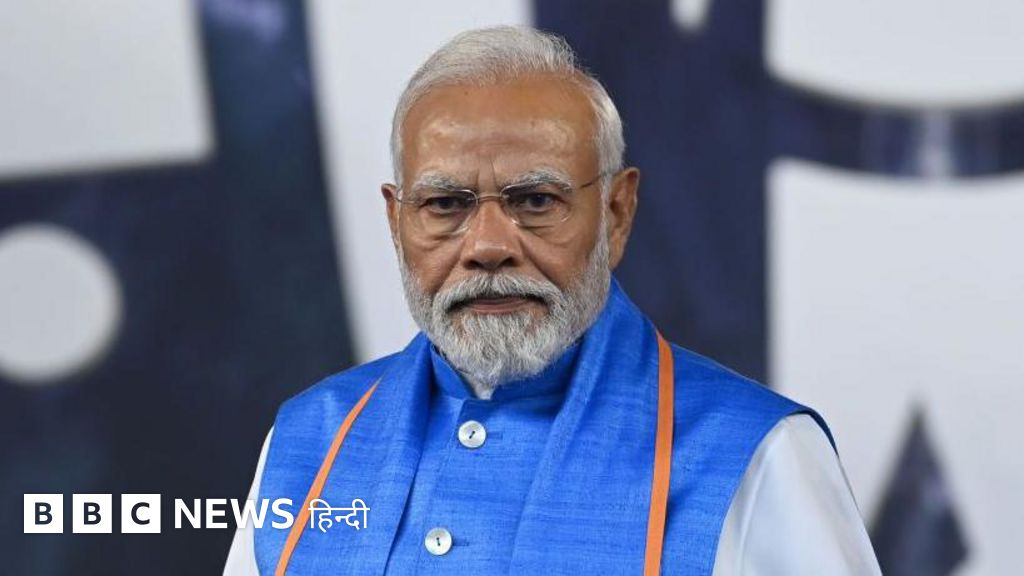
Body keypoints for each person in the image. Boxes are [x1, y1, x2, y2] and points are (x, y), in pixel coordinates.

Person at [224, 26, 880, 575]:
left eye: (536, 201)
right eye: (445, 205)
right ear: (398, 222)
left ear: (617, 212)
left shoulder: (756, 454)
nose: (487, 246)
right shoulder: (309, 441)